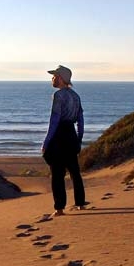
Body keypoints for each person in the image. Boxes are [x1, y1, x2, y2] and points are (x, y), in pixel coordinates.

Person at [42, 65, 86, 216]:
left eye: (54, 76)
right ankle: (80, 203)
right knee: (75, 172)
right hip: (71, 135)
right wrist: (79, 139)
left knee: (57, 173)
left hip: (59, 135)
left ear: (60, 78)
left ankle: (59, 208)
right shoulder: (76, 96)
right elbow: (80, 120)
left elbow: (54, 120)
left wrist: (46, 142)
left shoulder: (58, 95)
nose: (52, 79)